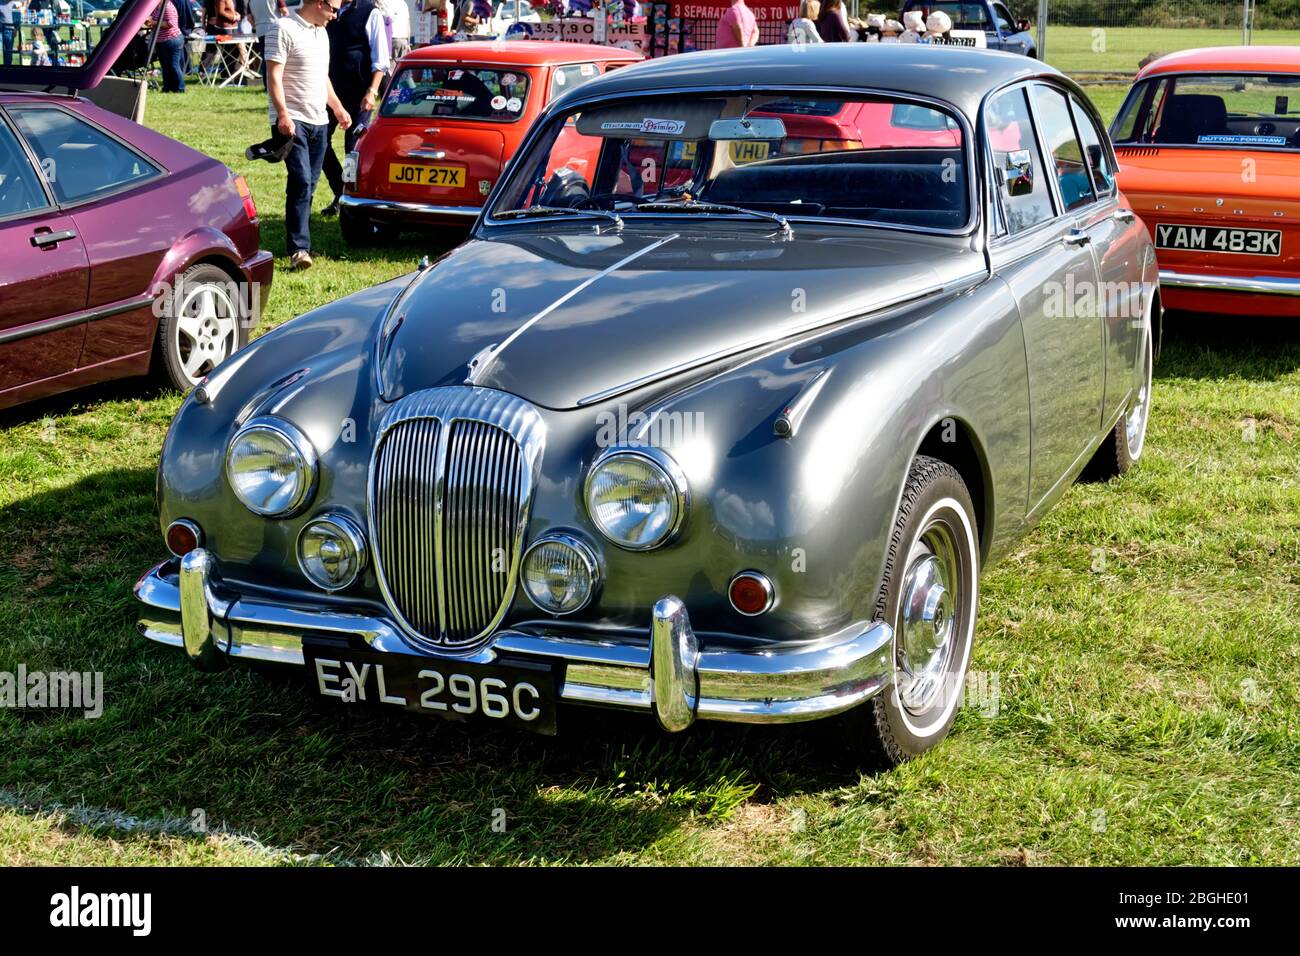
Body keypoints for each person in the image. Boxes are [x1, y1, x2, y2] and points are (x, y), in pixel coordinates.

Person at [264, 0, 352, 269]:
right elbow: (273, 76)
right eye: (333, 9)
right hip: (293, 121)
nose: (335, 16)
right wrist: (282, 114)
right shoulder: (282, 28)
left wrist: (337, 108)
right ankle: (299, 250)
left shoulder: (321, 33)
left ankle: (301, 238)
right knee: (301, 181)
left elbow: (321, 76)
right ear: (317, 2)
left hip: (319, 121)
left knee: (309, 185)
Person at [320, 0, 389, 215]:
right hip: (329, 90)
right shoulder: (325, 9)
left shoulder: (370, 12)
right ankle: (340, 193)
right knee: (319, 142)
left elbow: (381, 58)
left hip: (359, 92)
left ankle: (352, 201)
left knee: (353, 148)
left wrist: (372, 91)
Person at [146, 0, 187, 91]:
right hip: (161, 41)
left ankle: (180, 88)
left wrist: (153, 22)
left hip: (172, 40)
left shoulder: (168, 6)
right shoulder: (156, 7)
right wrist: (148, 21)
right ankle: (167, 88)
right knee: (164, 66)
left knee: (173, 65)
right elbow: (152, 19)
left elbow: (170, 23)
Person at [248, 0, 288, 79]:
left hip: (260, 31)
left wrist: (255, 26)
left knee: (265, 58)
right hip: (275, 29)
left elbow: (249, 18)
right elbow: (285, 11)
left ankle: (267, 85)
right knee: (277, 58)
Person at [26, 0, 59, 65]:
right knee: (39, 54)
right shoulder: (35, 1)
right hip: (38, 32)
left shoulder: (52, 1)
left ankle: (53, 65)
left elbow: (58, 12)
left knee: (52, 50)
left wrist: (56, 25)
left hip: (50, 31)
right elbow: (30, 12)